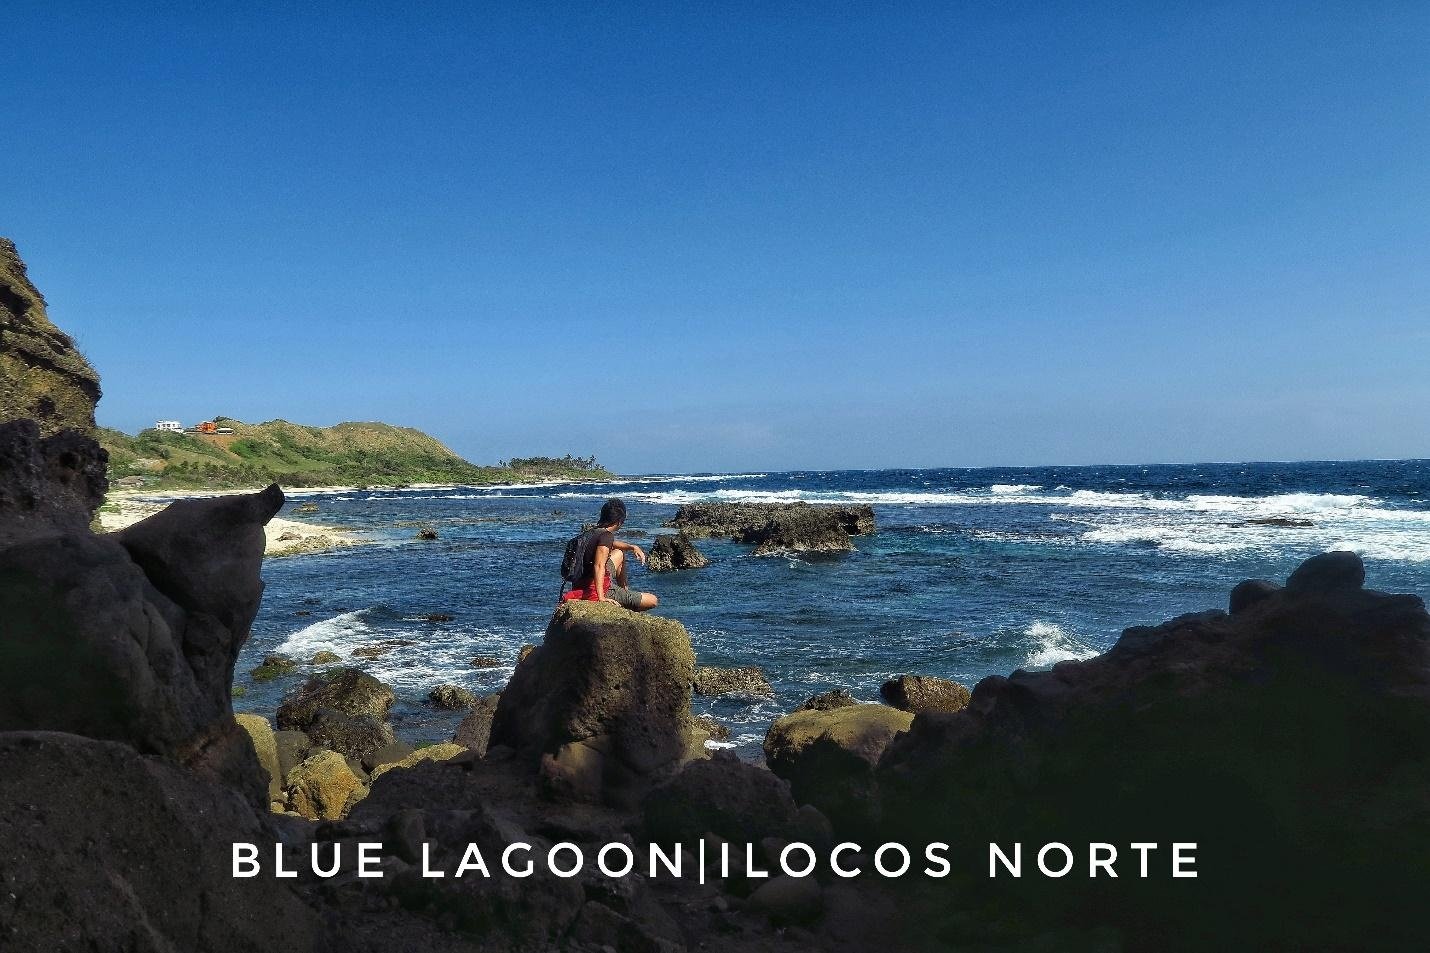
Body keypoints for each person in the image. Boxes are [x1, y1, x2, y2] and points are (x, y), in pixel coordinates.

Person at [561, 498, 659, 611]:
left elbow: (611, 545)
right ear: (619, 521)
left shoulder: (593, 532)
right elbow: (598, 566)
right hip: (597, 588)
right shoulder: (606, 536)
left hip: (581, 582)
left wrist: (632, 547)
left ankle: (624, 592)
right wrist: (601, 597)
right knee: (652, 600)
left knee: (619, 553)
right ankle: (624, 602)